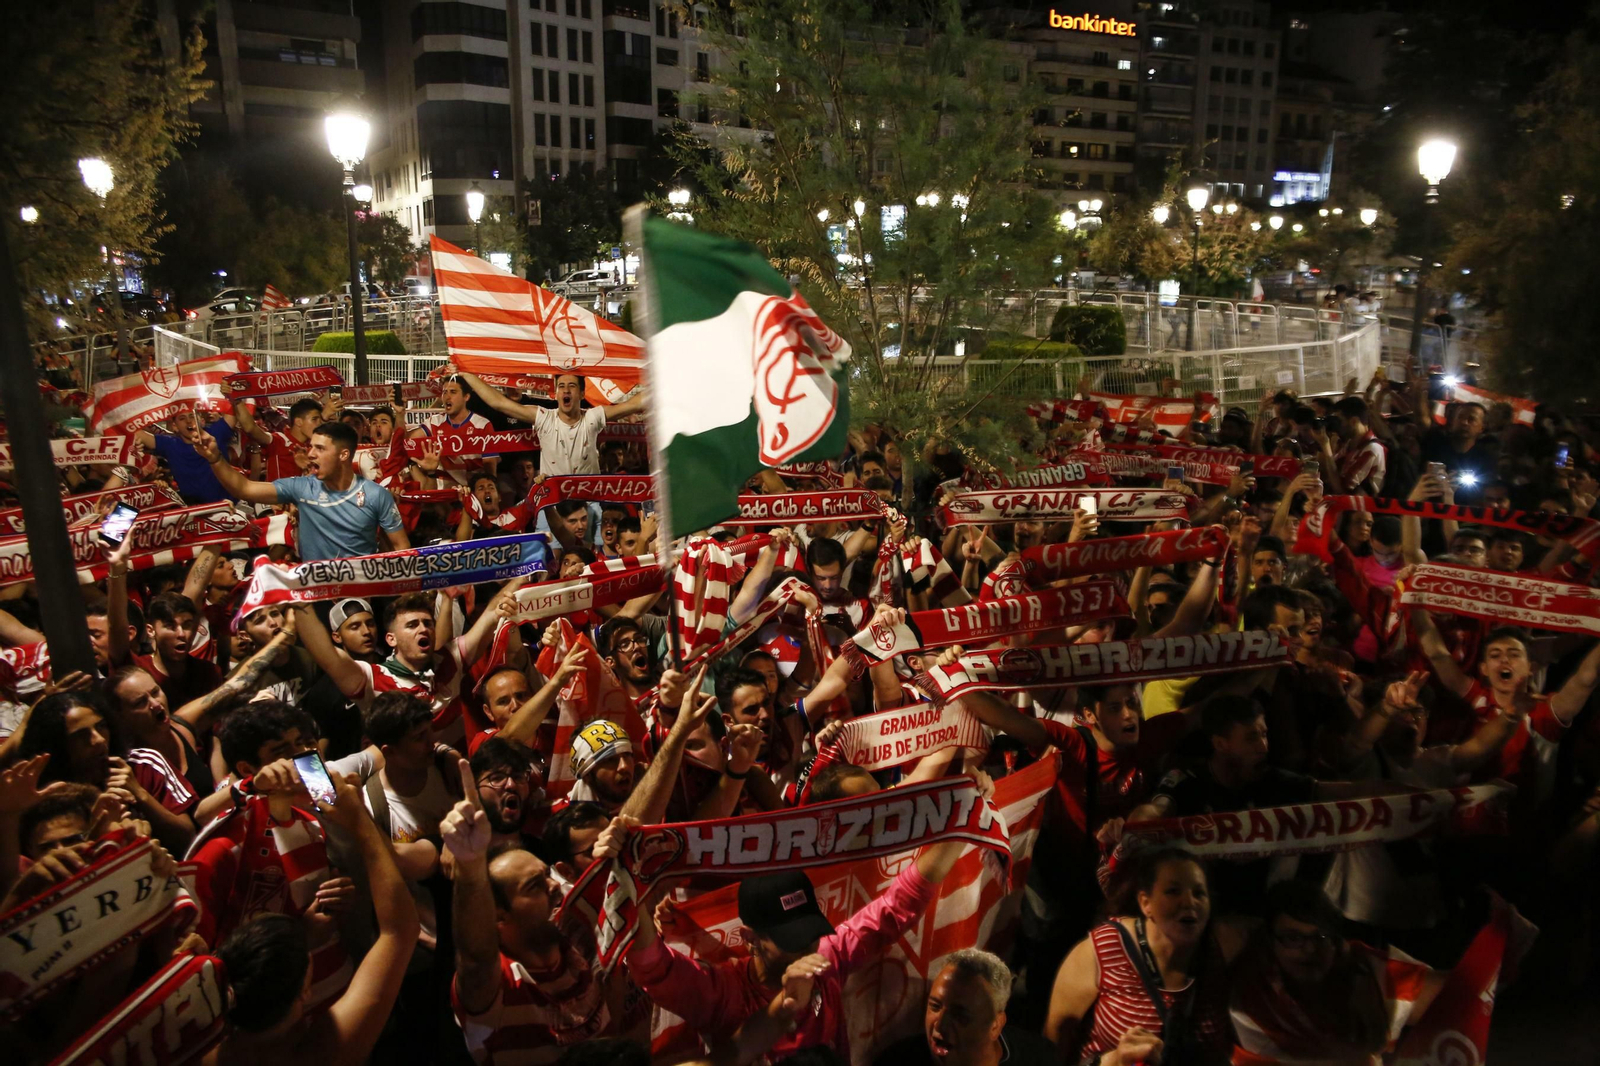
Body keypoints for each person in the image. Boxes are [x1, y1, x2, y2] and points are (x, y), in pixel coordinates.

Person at [621, 796, 975, 1058]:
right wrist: (625, 884)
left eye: (809, 931)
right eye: (790, 939)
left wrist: (966, 819)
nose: (807, 947)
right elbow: (654, 968)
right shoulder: (722, 993)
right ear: (750, 939)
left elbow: (899, 904)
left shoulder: (827, 957)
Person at [205, 765, 419, 1066]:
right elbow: (399, 932)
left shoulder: (204, 1050)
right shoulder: (323, 1052)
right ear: (305, 993)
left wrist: (304, 934)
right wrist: (359, 820)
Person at [440, 759, 648, 1063]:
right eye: (533, 886)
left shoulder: (576, 948)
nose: (553, 886)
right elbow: (475, 956)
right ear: (498, 916)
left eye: (547, 876)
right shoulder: (499, 984)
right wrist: (470, 864)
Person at [1044, 847, 1241, 1066]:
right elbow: (1050, 1050)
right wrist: (1113, 1061)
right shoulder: (1104, 949)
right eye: (1173, 891)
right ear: (1145, 903)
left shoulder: (1222, 948)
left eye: (1199, 893)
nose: (1189, 902)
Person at [1229, 881, 1445, 1065]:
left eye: (1322, 937)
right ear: (1269, 942)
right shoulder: (1247, 986)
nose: (1310, 949)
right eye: (1293, 939)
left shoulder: (1367, 972)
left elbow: (1463, 992)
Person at [193, 419, 408, 560]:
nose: (311, 454)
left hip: (361, 596)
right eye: (311, 446)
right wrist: (214, 458)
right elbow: (244, 488)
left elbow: (402, 549)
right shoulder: (302, 488)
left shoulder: (375, 495)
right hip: (315, 593)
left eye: (320, 448)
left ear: (343, 455)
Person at [448, 367, 646, 477]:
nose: (566, 390)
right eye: (561, 386)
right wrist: (466, 374)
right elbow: (498, 403)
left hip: (589, 499)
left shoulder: (592, 417)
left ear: (582, 393)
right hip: (553, 501)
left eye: (571, 386)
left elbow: (633, 405)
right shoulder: (544, 418)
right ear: (556, 393)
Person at [873, 950, 1056, 1066]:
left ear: (995, 1025)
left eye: (959, 1015)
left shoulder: (1040, 1058)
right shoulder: (896, 1061)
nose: (940, 1025)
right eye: (935, 1006)